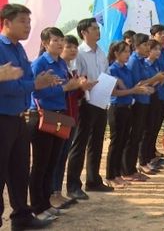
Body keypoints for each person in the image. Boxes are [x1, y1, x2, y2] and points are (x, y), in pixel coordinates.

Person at [0, 3, 59, 230]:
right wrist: (34, 83)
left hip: (18, 118)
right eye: (23, 21)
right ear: (7, 23)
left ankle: (22, 216)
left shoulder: (19, 49)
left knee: (20, 169)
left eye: (29, 21)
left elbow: (24, 80)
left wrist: (39, 81)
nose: (28, 26)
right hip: (2, 118)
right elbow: (8, 87)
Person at [28, 27, 93, 221]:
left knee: (52, 163)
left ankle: (46, 203)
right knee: (40, 164)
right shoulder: (40, 64)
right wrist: (66, 87)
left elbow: (68, 89)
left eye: (60, 40)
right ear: (45, 43)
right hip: (42, 116)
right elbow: (36, 92)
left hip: (59, 115)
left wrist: (78, 86)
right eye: (55, 40)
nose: (59, 44)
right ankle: (37, 206)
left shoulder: (62, 65)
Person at [66, 17, 111, 200]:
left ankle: (93, 180)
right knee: (80, 144)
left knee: (97, 141)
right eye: (94, 28)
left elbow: (106, 74)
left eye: (98, 27)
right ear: (84, 32)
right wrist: (84, 82)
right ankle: (73, 185)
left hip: (101, 100)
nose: (98, 30)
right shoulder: (80, 53)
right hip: (85, 102)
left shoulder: (101, 52)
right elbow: (77, 77)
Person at [122, 33, 164, 179]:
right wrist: (155, 79)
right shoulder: (134, 61)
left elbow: (149, 81)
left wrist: (160, 79)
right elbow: (138, 84)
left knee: (143, 133)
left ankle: (137, 166)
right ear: (137, 46)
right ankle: (130, 168)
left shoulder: (141, 61)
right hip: (137, 102)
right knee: (135, 136)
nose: (147, 48)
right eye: (145, 45)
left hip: (147, 99)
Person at [106, 41, 153, 188]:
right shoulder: (112, 70)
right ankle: (110, 175)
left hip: (127, 107)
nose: (127, 55)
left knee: (122, 141)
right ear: (116, 54)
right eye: (125, 52)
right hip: (116, 108)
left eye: (128, 51)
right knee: (115, 142)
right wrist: (133, 91)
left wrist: (138, 89)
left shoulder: (125, 69)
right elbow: (114, 92)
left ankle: (118, 173)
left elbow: (132, 87)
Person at [50, 35, 82, 210]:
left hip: (71, 117)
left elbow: (75, 95)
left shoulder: (69, 68)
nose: (72, 49)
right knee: (54, 157)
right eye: (68, 46)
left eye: (74, 47)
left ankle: (57, 191)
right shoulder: (55, 67)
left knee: (62, 156)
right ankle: (52, 193)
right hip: (60, 117)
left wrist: (82, 87)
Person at [149, 24, 164, 161]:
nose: (163, 35)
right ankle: (147, 154)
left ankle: (152, 151)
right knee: (150, 126)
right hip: (153, 93)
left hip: (163, 93)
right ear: (153, 36)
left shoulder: (163, 52)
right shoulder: (152, 53)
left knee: (156, 125)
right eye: (159, 33)